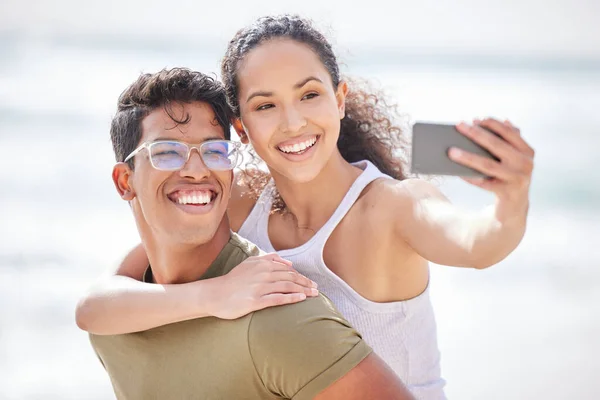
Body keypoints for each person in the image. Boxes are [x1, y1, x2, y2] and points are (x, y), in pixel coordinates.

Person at [76, 15, 535, 400]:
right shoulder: (238, 198)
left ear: (339, 99)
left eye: (309, 95)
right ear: (241, 127)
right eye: (265, 105)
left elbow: (477, 243)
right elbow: (98, 304)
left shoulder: (390, 206)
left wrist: (510, 201)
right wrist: (213, 296)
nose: (293, 121)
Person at [87, 67, 414, 400]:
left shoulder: (279, 316)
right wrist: (213, 294)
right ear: (125, 182)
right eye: (167, 152)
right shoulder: (115, 324)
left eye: (215, 151)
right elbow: (90, 308)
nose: (198, 171)